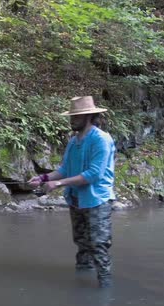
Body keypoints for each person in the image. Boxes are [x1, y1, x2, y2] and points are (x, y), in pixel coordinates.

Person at [29, 96, 116, 288]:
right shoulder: (73, 141)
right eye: (72, 116)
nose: (72, 120)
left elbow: (94, 174)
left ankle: (105, 288)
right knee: (81, 243)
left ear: (88, 117)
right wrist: (43, 178)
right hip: (76, 199)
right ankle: (82, 281)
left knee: (99, 245)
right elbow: (65, 169)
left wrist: (58, 184)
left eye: (76, 117)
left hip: (97, 200)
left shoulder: (101, 139)